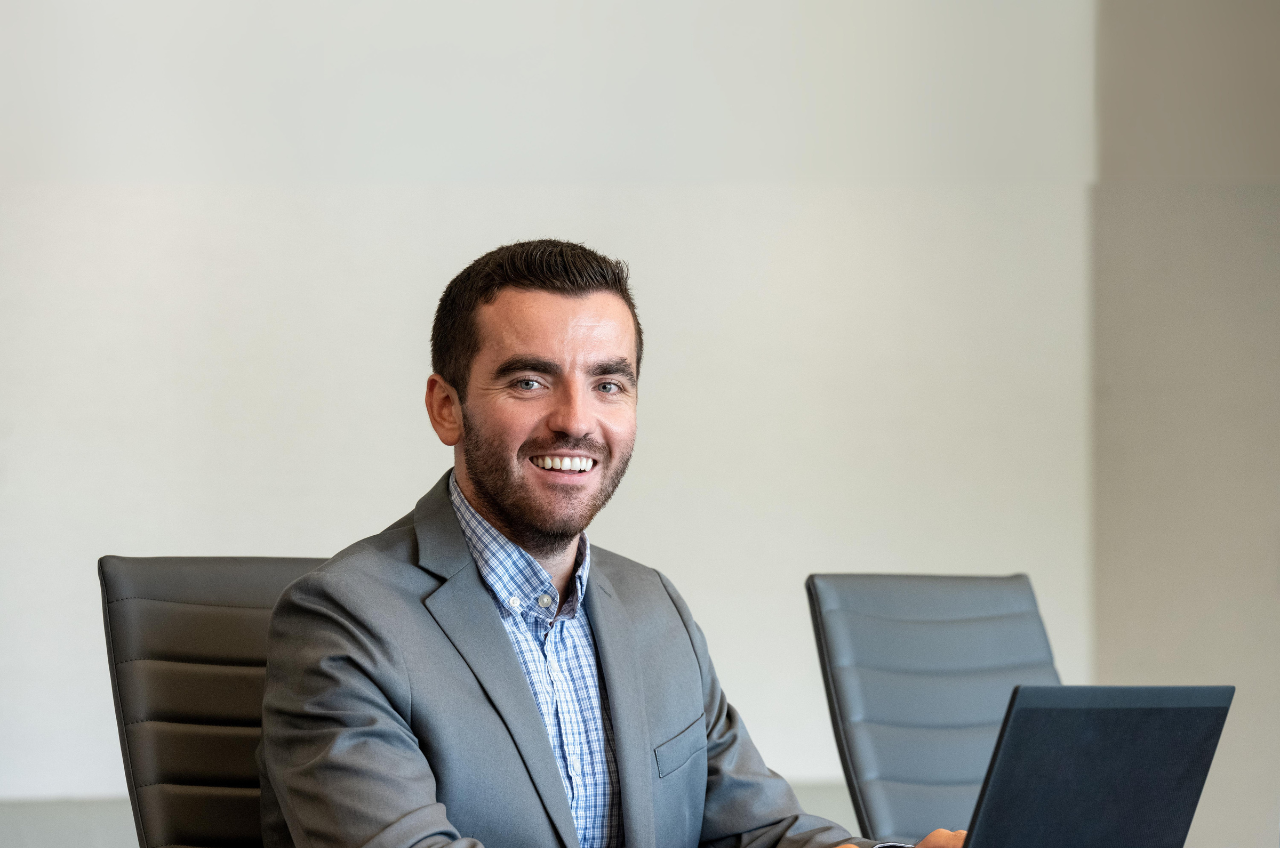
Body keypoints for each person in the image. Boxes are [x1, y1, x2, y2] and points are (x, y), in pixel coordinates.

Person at [258, 240, 966, 848]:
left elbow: (752, 831)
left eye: (608, 383)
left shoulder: (652, 606)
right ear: (447, 408)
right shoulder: (345, 623)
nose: (576, 421)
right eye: (530, 380)